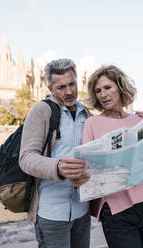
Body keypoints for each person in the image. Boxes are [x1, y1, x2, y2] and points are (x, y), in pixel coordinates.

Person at [82, 65, 143, 248]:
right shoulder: (92, 124)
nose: (103, 94)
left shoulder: (139, 120)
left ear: (120, 87)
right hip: (118, 212)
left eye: (107, 88)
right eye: (98, 91)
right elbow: (87, 169)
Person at [19, 58, 91, 248]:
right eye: (61, 87)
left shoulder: (86, 113)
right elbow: (26, 158)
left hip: (82, 210)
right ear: (50, 88)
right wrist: (57, 167)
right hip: (52, 213)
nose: (68, 91)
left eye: (72, 84)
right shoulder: (41, 110)